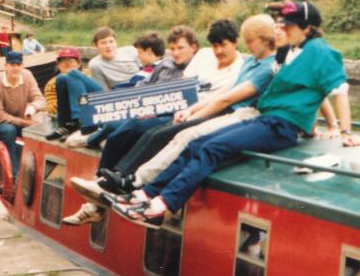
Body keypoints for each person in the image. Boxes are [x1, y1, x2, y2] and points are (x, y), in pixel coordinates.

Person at [114, 0, 360, 228]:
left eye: (286, 27)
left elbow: (337, 91)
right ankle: (145, 194)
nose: (280, 30)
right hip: (265, 118)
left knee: (213, 148)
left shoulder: (322, 52)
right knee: (197, 143)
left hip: (281, 125)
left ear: (306, 28)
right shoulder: (291, 52)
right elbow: (302, 88)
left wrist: (345, 131)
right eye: (279, 25)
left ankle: (162, 206)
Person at [67, 15, 277, 211]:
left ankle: (123, 182)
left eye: (223, 45)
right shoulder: (227, 59)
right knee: (127, 128)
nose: (218, 50)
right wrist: (166, 109)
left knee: (161, 135)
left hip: (212, 113)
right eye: (214, 45)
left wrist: (191, 115)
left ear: (235, 43)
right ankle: (104, 185)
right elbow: (186, 89)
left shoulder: (249, 65)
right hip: (182, 108)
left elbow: (225, 99)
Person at [87, 21, 241, 172]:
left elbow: (218, 99)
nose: (175, 53)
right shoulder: (192, 59)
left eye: (180, 48)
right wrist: (149, 107)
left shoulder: (236, 69)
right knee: (120, 126)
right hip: (167, 106)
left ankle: (116, 174)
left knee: (140, 129)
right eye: (172, 49)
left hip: (188, 113)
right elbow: (178, 87)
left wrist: (160, 109)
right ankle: (103, 171)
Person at [0, 50, 44, 178]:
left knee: (40, 130)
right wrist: (24, 122)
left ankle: (37, 173)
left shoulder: (27, 75)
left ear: (22, 66)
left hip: (21, 119)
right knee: (9, 130)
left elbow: (40, 99)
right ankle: (14, 174)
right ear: (5, 66)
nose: (15, 68)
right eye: (12, 64)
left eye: (18, 65)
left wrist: (33, 107)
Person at [42, 47, 103, 118]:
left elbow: (100, 92)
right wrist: (68, 97)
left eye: (71, 60)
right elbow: (50, 109)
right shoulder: (52, 84)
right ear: (58, 65)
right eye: (63, 60)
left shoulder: (89, 74)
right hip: (69, 116)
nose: (67, 63)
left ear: (78, 64)